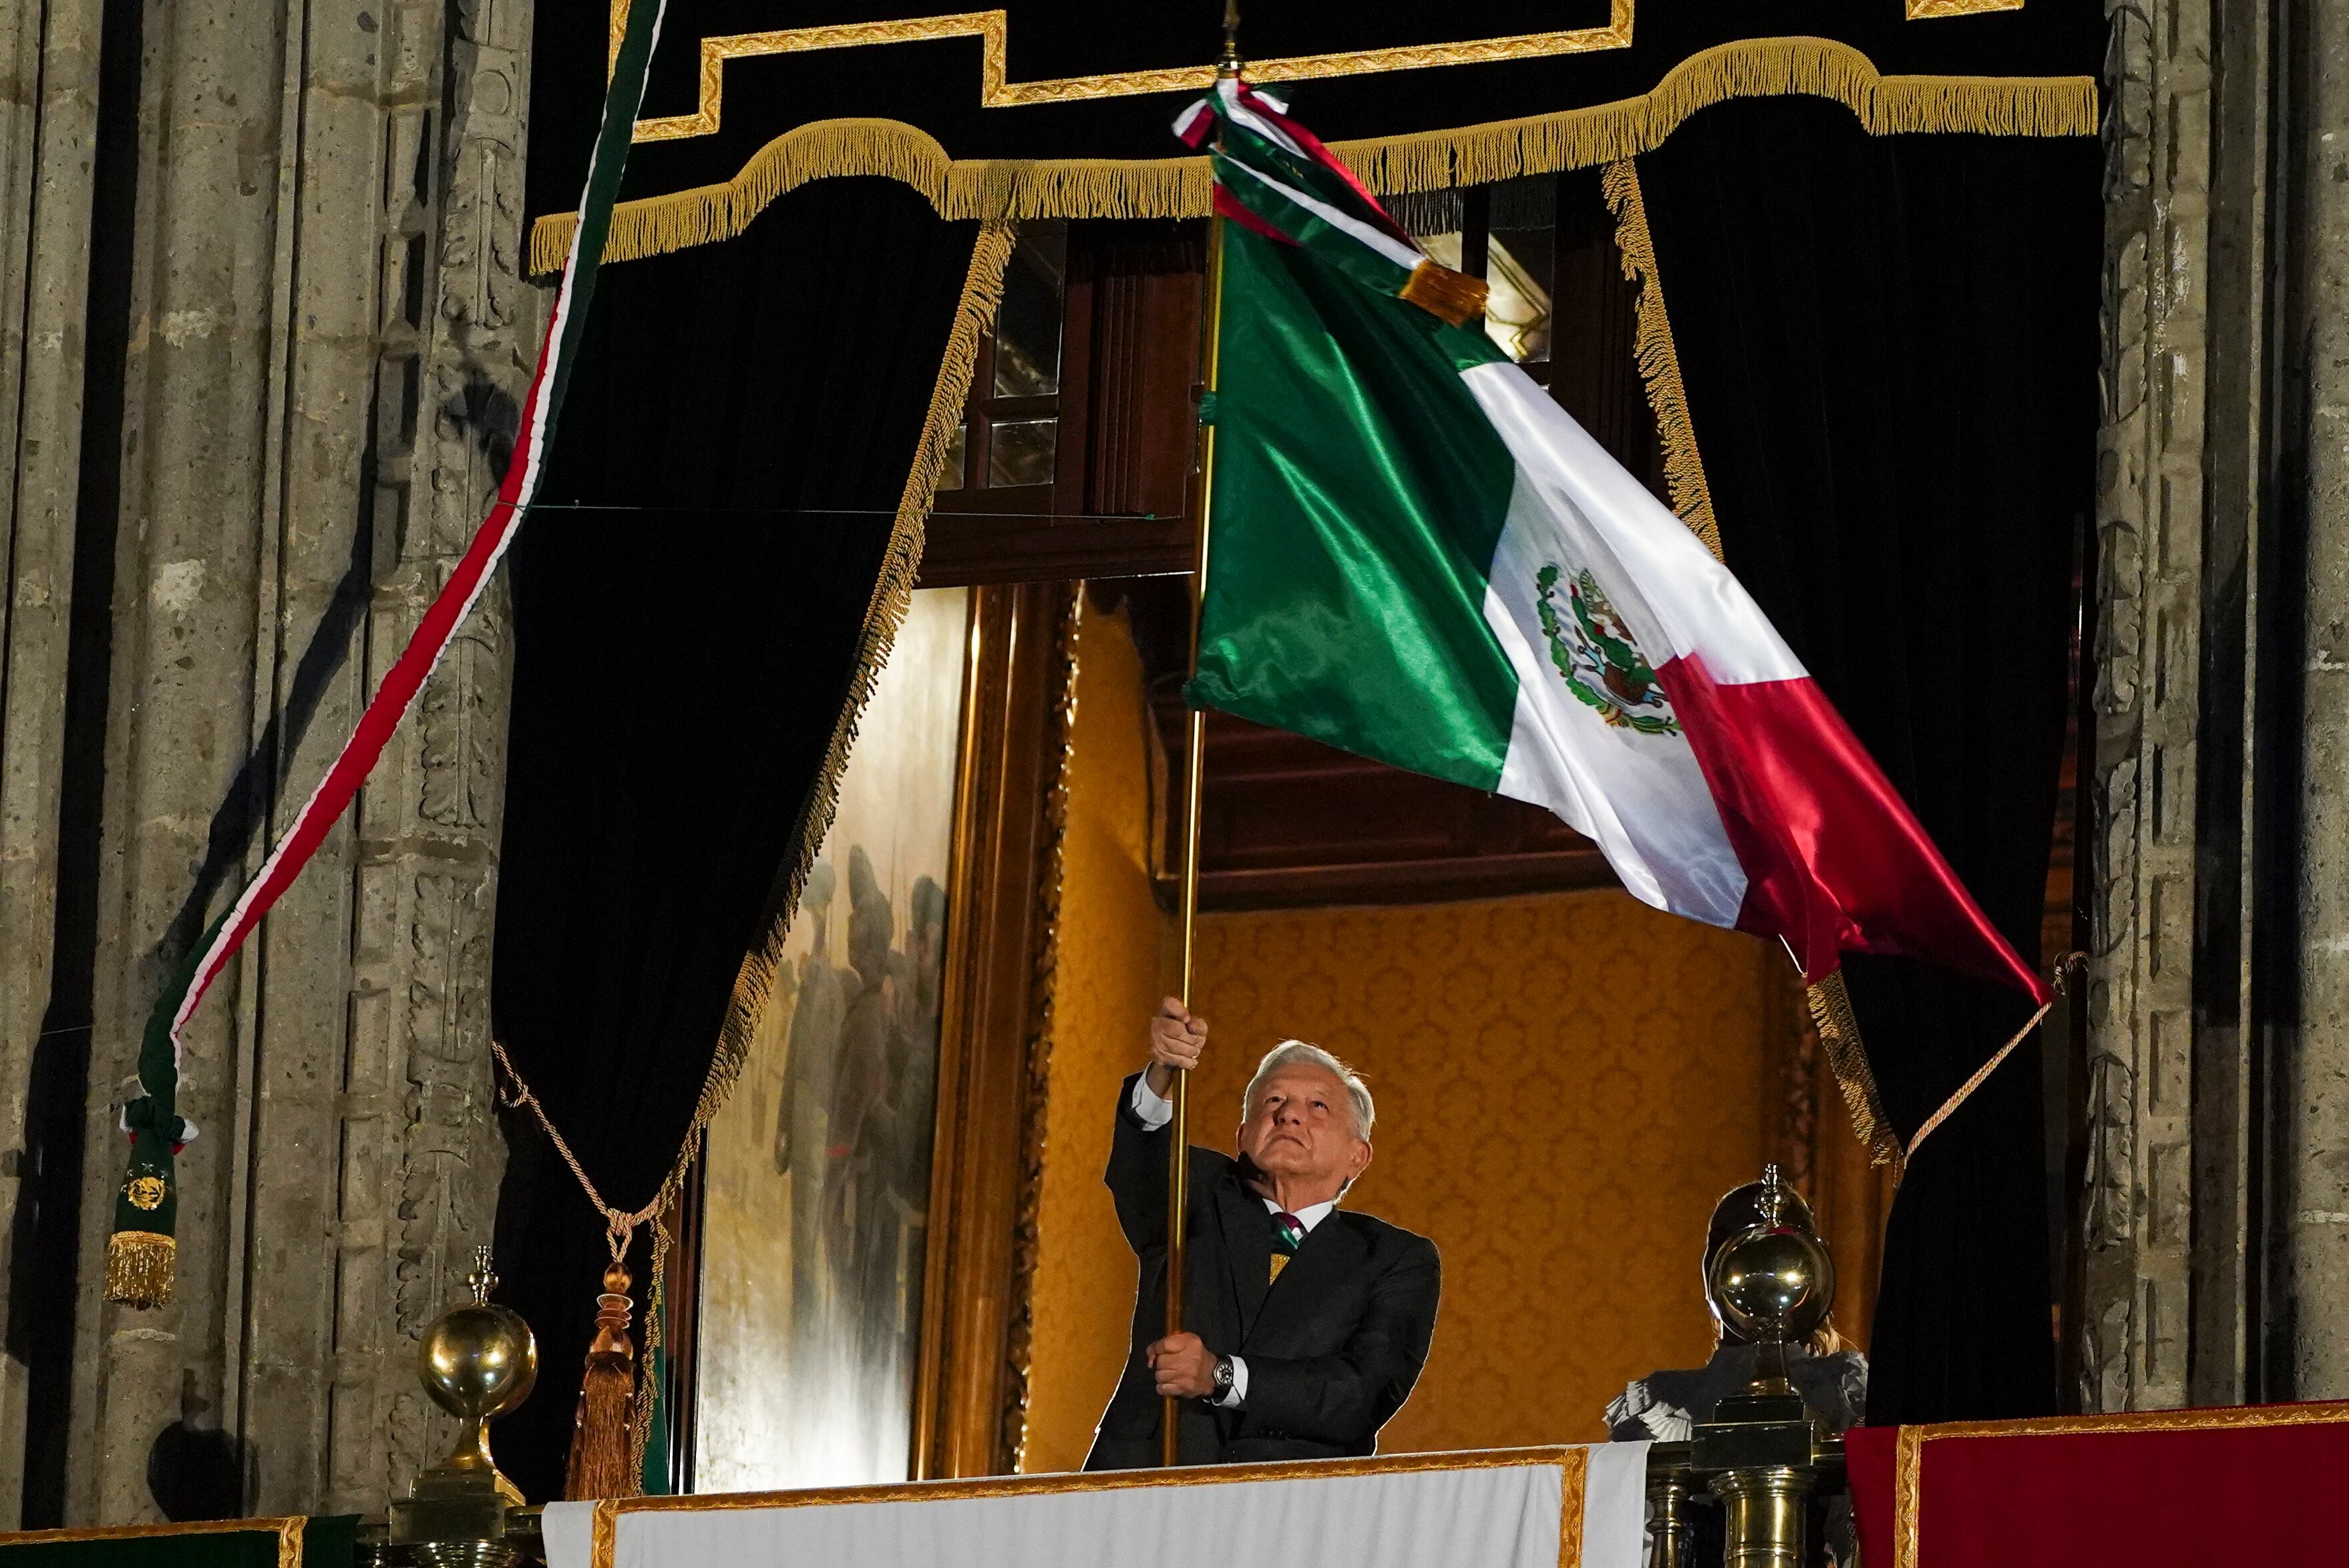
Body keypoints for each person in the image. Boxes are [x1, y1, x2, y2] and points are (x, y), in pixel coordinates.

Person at [1084, 998, 1441, 1469]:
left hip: (1295, 1501)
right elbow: (1143, 1164)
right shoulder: (1196, 1194)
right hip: (1151, 1477)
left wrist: (1219, 1374)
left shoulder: (1394, 1258)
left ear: (1358, 1155)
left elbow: (1359, 1393)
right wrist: (1163, 1073)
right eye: (1274, 1101)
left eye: (1317, 1107)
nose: (1290, 1116)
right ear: (1242, 1136)